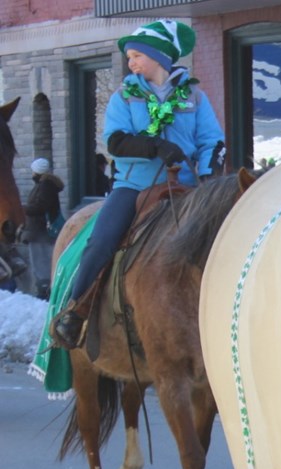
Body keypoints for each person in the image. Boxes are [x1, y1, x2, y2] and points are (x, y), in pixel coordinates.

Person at [49, 18, 225, 349]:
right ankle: (77, 310)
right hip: (134, 186)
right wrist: (156, 146)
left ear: (159, 56)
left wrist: (208, 174)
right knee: (102, 240)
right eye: (129, 57)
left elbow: (212, 141)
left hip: (189, 187)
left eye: (136, 56)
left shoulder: (195, 97)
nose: (131, 63)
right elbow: (115, 141)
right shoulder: (124, 97)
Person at [22, 157, 63, 300]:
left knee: (41, 262)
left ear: (36, 171)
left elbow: (41, 207)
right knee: (42, 260)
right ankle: (44, 288)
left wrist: (23, 209)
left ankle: (44, 291)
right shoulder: (46, 184)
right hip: (39, 230)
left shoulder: (45, 185)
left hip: (40, 231)